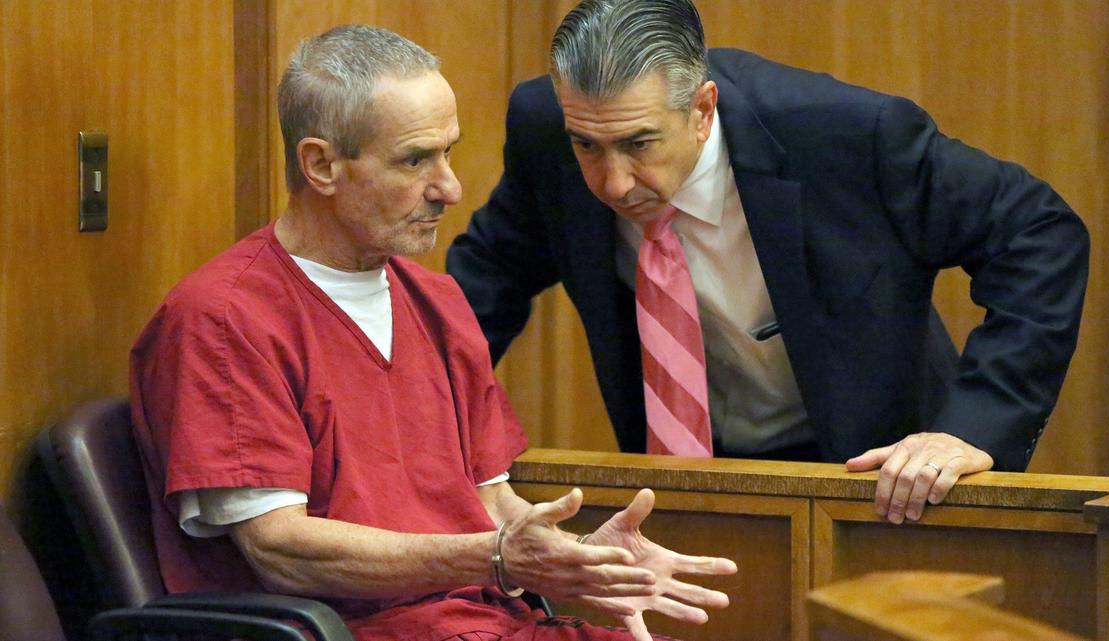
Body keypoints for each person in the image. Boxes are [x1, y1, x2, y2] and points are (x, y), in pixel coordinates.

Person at [130, 24, 736, 641]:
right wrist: (496, 557)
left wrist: (587, 559)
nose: (449, 188)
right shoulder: (223, 317)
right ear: (320, 164)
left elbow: (491, 504)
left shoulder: (438, 301)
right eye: (416, 159)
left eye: (448, 152)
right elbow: (280, 549)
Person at [446, 0, 1089, 525]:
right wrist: (437, 434)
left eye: (638, 144)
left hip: (879, 478)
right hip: (685, 477)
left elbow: (1037, 233)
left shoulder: (848, 135)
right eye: (587, 145)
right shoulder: (544, 126)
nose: (612, 183)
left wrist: (975, 425)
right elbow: (487, 281)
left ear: (702, 110)